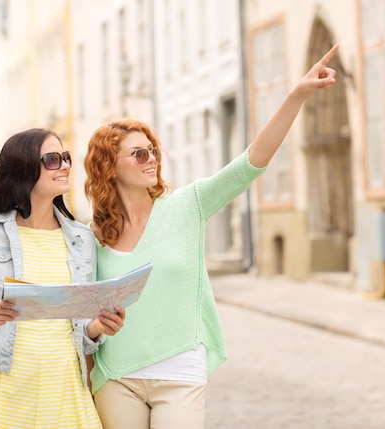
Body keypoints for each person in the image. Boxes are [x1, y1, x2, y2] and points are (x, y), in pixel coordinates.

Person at [83, 45, 340, 428]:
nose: (151, 158)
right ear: (109, 168)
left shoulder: (190, 205)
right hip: (116, 375)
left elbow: (250, 163)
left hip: (180, 370)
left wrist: (296, 95)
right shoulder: (92, 237)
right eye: (138, 154)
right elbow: (84, 314)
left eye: (152, 150)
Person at [0, 128, 126, 429]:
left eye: (65, 158)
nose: (64, 165)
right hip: (5, 384)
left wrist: (98, 327)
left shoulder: (82, 238)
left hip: (64, 385)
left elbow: (82, 328)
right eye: (52, 159)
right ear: (24, 167)